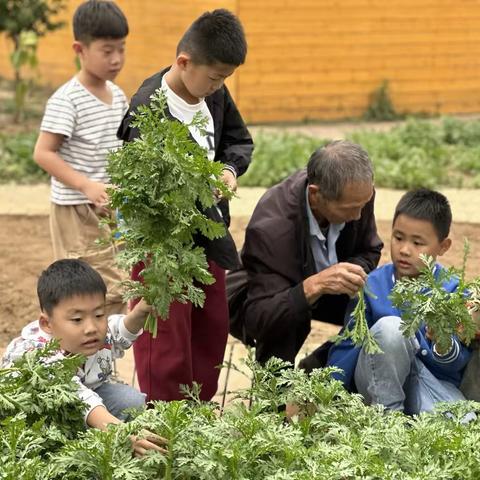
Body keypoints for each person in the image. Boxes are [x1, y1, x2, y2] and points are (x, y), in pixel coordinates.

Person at [117, 9, 253, 401]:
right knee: (165, 333)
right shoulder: (148, 109)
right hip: (165, 244)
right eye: (214, 77)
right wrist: (191, 190)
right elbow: (144, 189)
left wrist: (227, 170)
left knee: (210, 326)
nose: (218, 86)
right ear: (184, 62)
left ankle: (198, 409)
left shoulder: (213, 93)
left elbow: (238, 141)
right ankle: (165, 416)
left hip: (208, 235)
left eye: (225, 78)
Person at [327, 188, 472, 415]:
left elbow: (457, 363)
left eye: (417, 243)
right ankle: (388, 420)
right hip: (376, 383)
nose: (405, 250)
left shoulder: (452, 290)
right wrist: (328, 392)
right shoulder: (372, 286)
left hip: (429, 382)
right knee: (391, 328)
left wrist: (442, 343)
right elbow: (349, 343)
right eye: (398, 237)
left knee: (461, 426)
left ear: (443, 247)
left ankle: (410, 422)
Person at [2, 259, 164, 456]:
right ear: (47, 324)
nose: (91, 328)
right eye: (77, 319)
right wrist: (121, 433)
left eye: (98, 315)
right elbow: (80, 399)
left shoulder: (92, 334)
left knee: (130, 401)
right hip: (36, 415)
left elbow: (117, 332)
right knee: (56, 438)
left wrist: (139, 312)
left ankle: (97, 440)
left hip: (80, 399)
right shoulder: (37, 353)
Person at [240, 140, 383, 365]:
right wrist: (314, 286)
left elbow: (370, 248)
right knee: (287, 319)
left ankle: (319, 363)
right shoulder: (271, 229)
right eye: (350, 209)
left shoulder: (357, 197)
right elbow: (260, 317)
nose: (358, 215)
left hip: (330, 285)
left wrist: (349, 274)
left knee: (380, 304)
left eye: (363, 204)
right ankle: (272, 392)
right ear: (315, 195)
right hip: (276, 294)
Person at [33, 0, 129, 316]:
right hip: (76, 210)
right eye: (107, 50)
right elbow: (43, 153)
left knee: (119, 283)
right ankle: (85, 356)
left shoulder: (117, 95)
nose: (116, 59)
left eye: (121, 49)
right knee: (91, 288)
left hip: (108, 207)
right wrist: (85, 185)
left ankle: (102, 357)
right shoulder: (68, 100)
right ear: (80, 49)